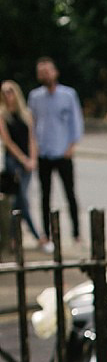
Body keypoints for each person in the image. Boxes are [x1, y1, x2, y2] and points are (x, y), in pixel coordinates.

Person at [27, 57, 83, 246]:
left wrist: (71, 147)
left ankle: (76, 233)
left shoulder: (68, 95)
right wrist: (34, 149)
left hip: (63, 152)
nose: (45, 75)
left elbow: (76, 122)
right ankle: (47, 234)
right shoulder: (35, 97)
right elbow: (32, 125)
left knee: (70, 193)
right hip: (44, 153)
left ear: (55, 72)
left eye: (48, 71)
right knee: (45, 195)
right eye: (41, 72)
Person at [0, 80, 43, 251]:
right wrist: (23, 159)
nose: (7, 95)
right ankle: (37, 236)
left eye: (10, 91)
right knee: (21, 199)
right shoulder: (2, 115)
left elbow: (32, 138)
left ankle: (13, 237)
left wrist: (32, 159)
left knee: (20, 200)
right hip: (13, 161)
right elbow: (8, 142)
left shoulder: (26, 113)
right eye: (4, 92)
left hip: (28, 161)